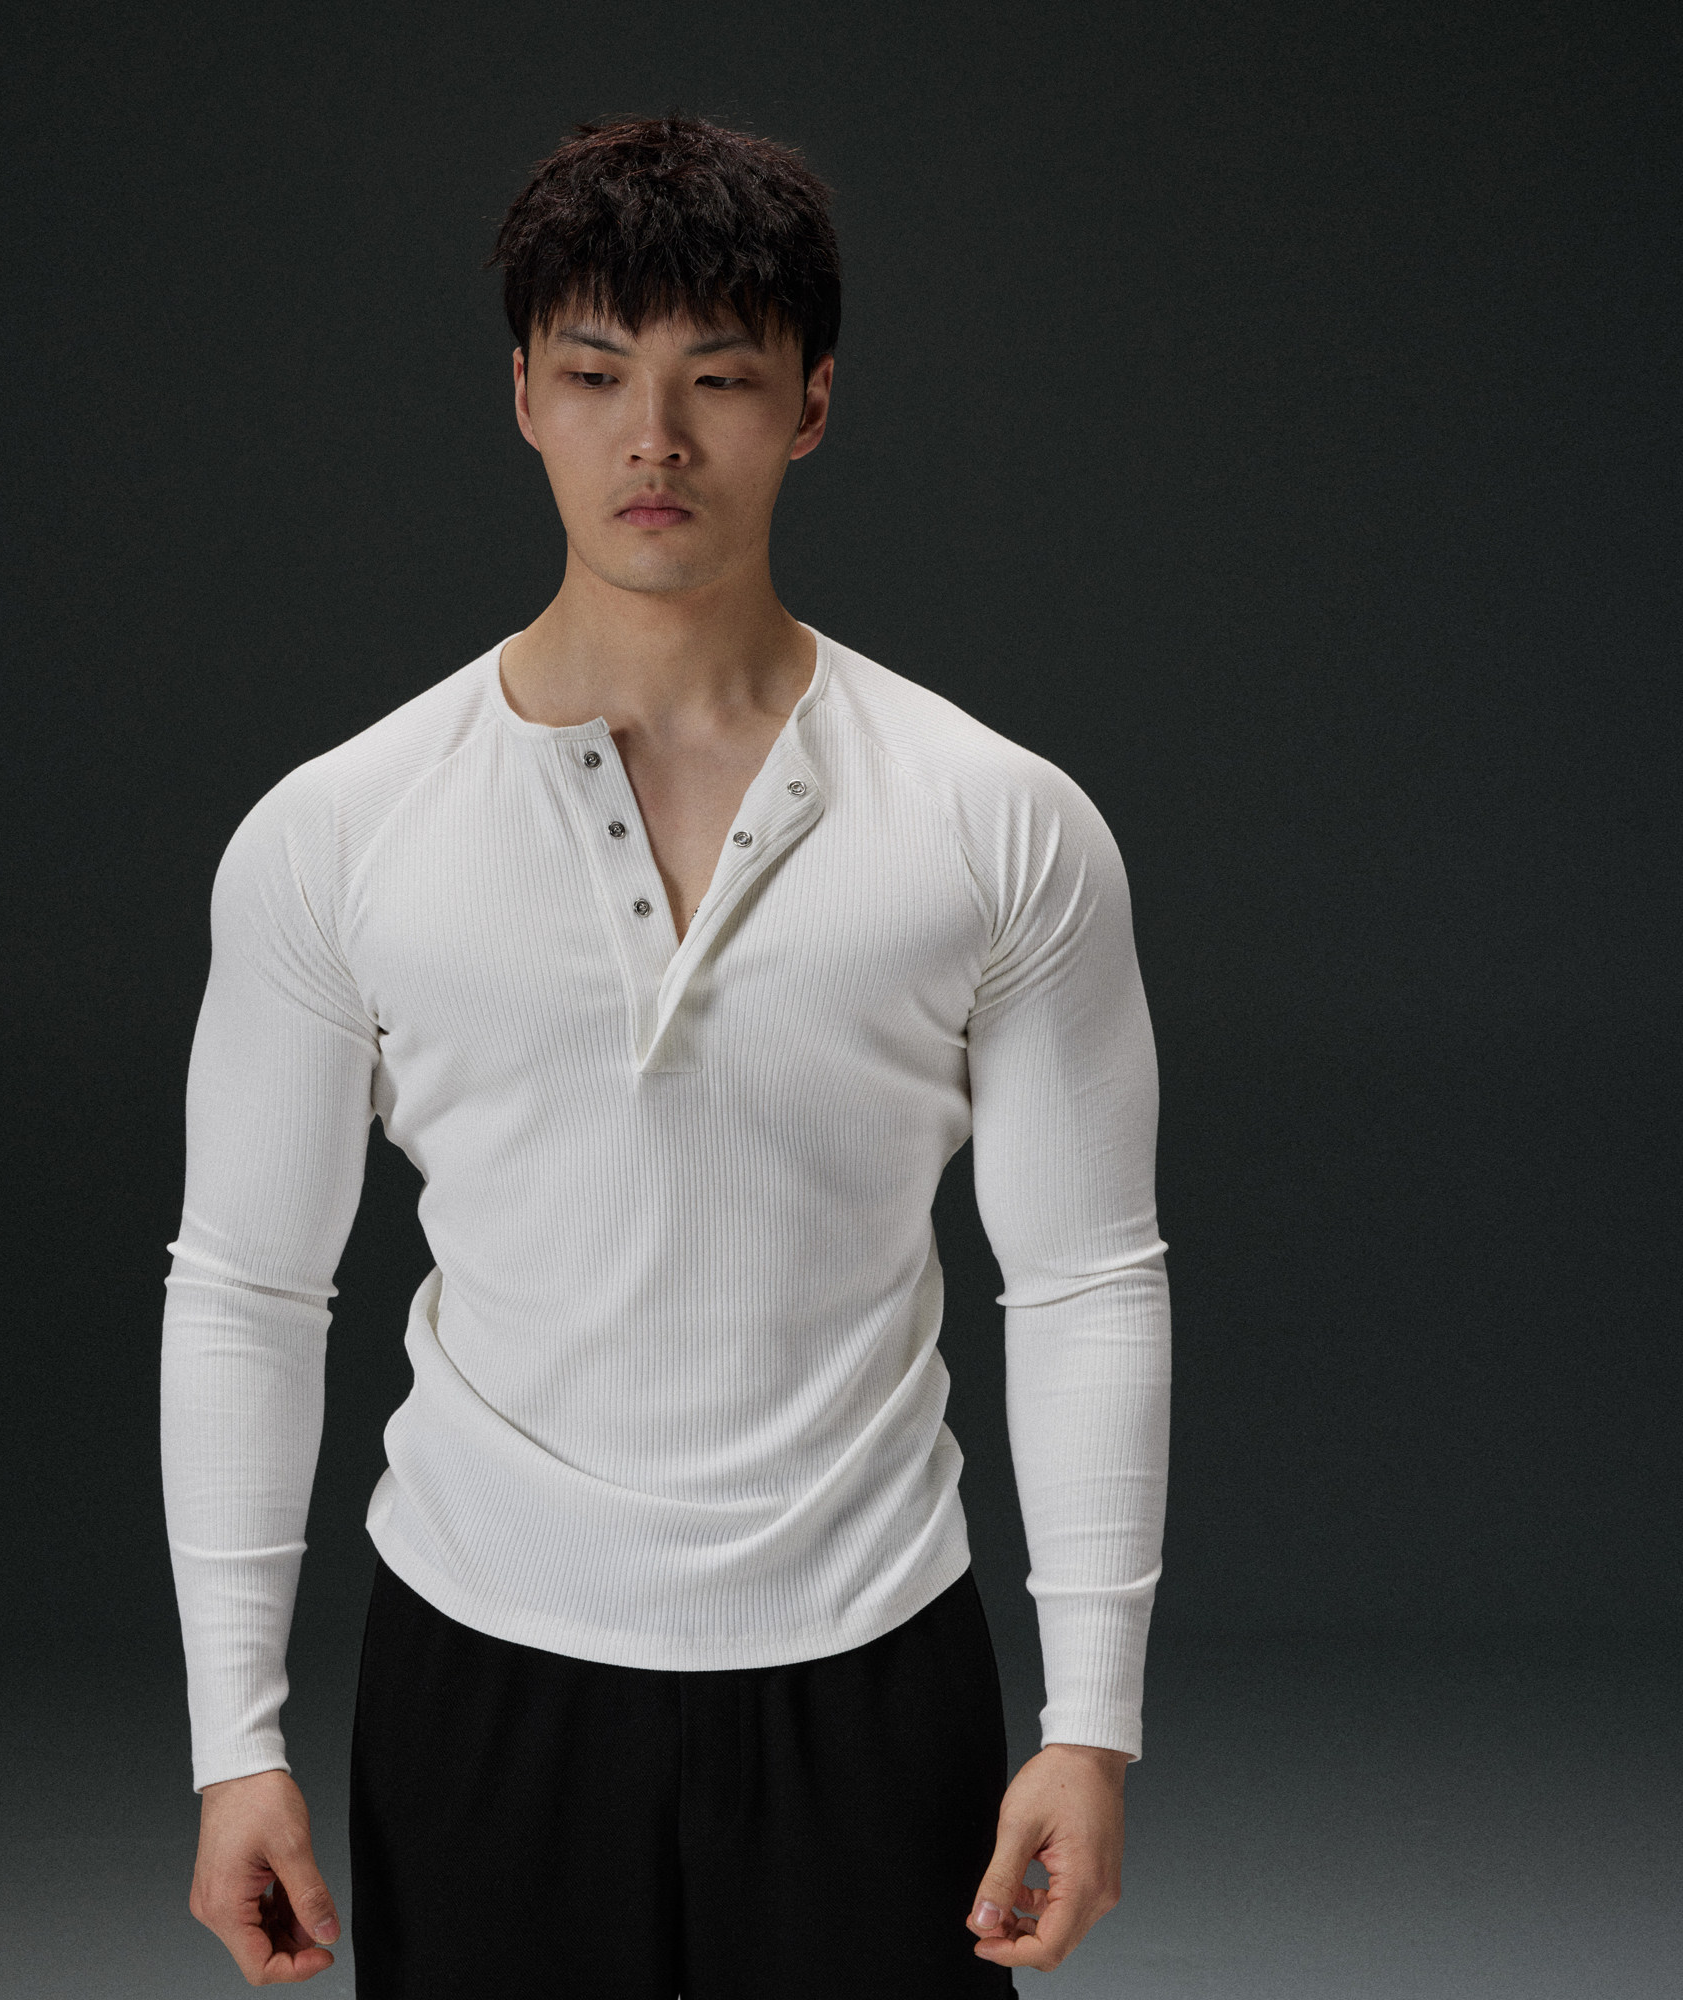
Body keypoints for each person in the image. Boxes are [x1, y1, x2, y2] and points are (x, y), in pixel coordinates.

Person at [161, 113, 1171, 1996]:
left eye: (718, 377)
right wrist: (238, 1740)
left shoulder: (997, 821)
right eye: (595, 374)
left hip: (877, 1664)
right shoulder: (338, 830)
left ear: (810, 406)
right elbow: (246, 1288)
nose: (654, 438)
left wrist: (1091, 1722)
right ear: (521, 398)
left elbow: (1088, 1276)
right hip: (480, 1673)